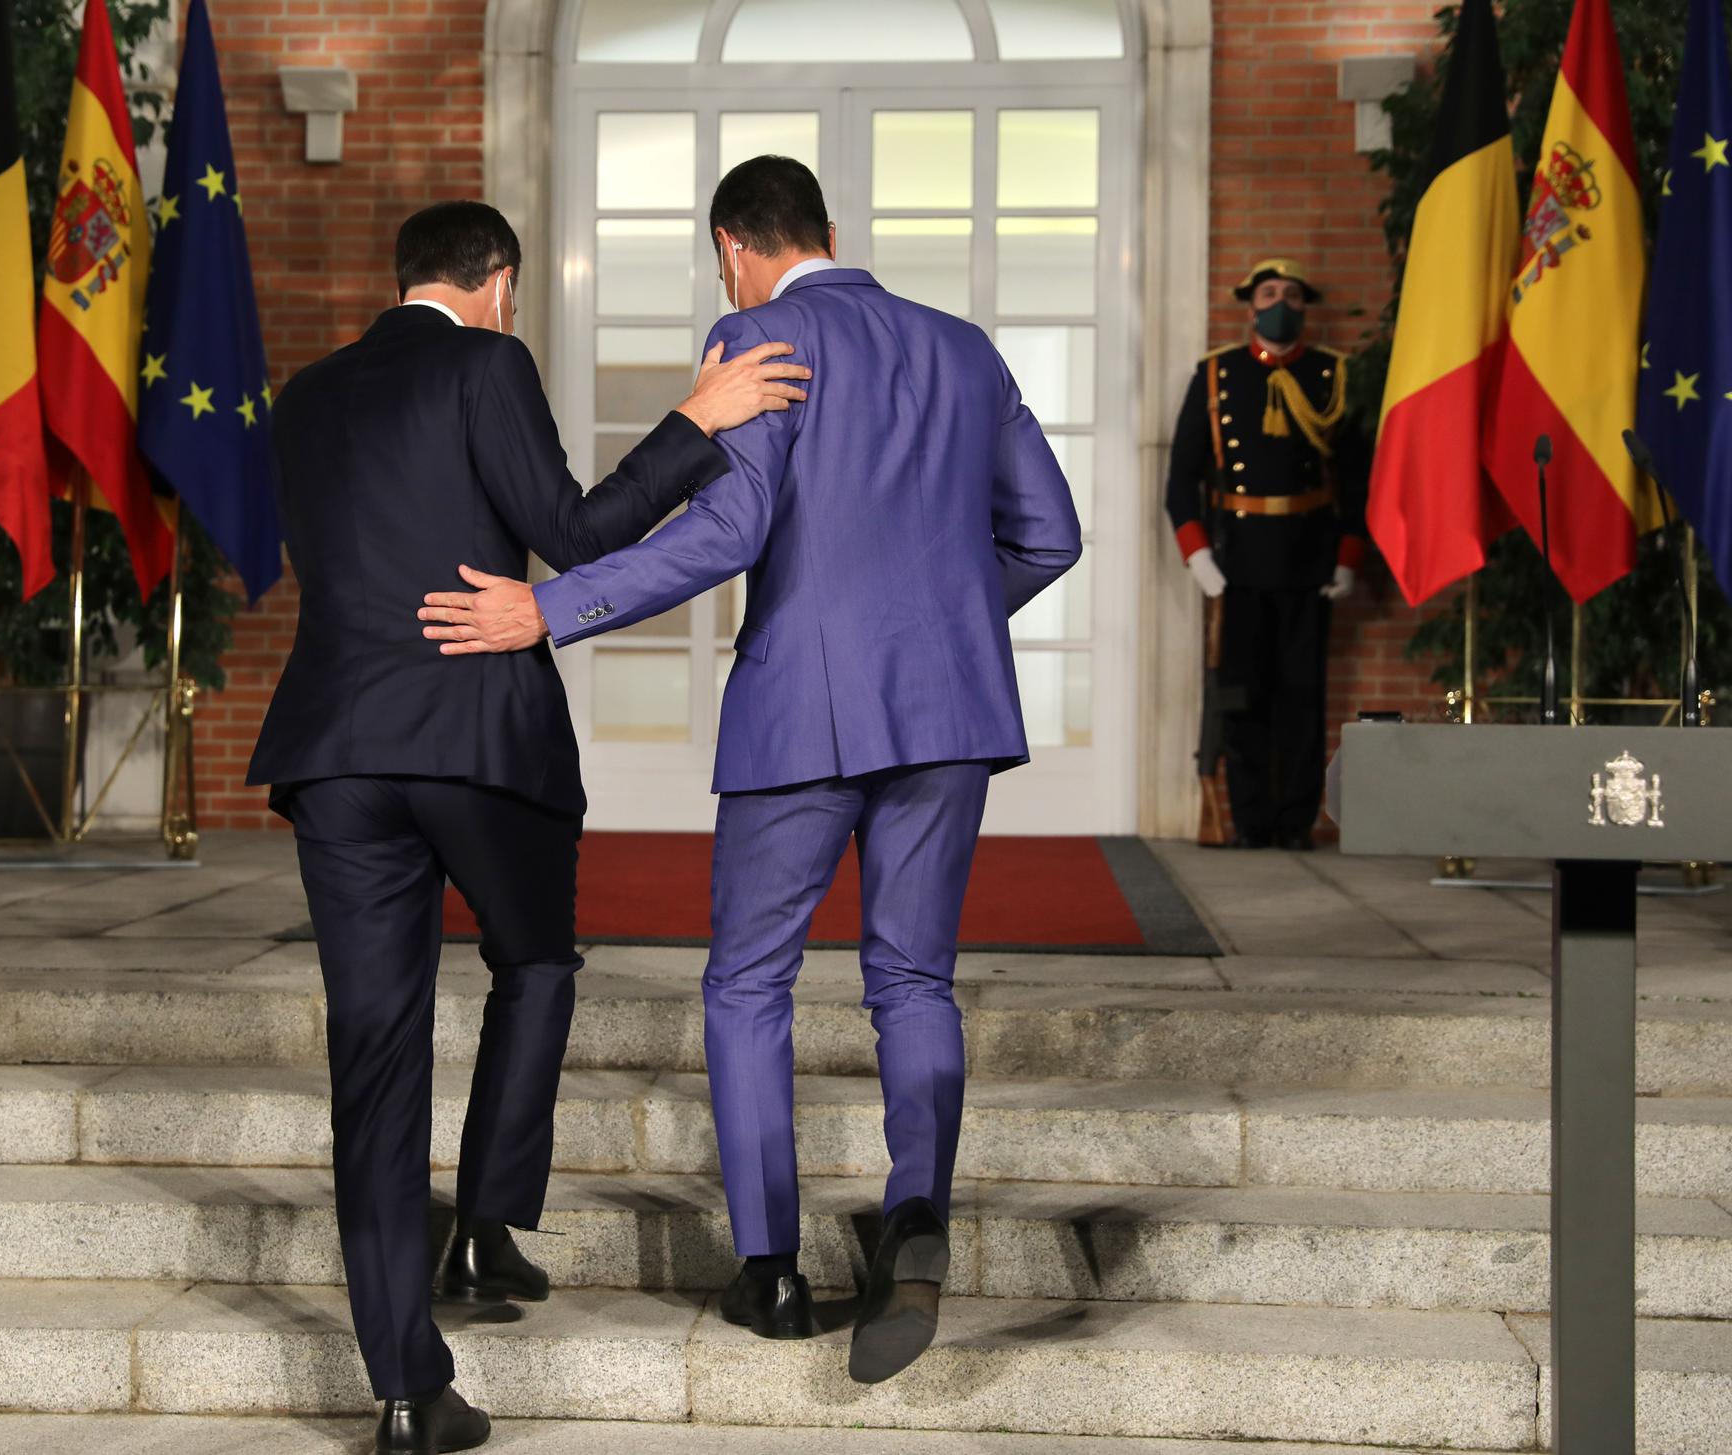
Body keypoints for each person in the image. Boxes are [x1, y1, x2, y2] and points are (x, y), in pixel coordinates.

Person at [416, 158, 1080, 1386]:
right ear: (830, 230)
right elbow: (1051, 531)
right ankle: (916, 1216)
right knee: (913, 980)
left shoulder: (755, 336)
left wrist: (551, 609)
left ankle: (770, 1270)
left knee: (749, 985)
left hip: (803, 713)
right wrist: (937, 625)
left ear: (731, 246)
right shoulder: (963, 347)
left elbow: (728, 532)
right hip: (948, 712)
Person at [246, 199, 809, 1455]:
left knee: (373, 1067)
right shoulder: (486, 360)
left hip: (334, 755)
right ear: (496, 283)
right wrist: (696, 422)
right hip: (479, 745)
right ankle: (488, 1229)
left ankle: (403, 1389)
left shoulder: (307, 395)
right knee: (536, 959)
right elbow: (572, 531)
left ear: (405, 280)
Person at [1164, 258, 1368, 851]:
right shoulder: (1215, 375)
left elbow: (1358, 479)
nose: (1283, 302)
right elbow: (1182, 480)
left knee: (1302, 698)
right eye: (1271, 292)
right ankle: (1251, 821)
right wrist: (1198, 555)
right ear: (1250, 305)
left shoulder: (1334, 375)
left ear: (1306, 308)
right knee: (1243, 697)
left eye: (1294, 294)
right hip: (1237, 560)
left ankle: (1295, 822)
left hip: (1309, 554)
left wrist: (1348, 555)